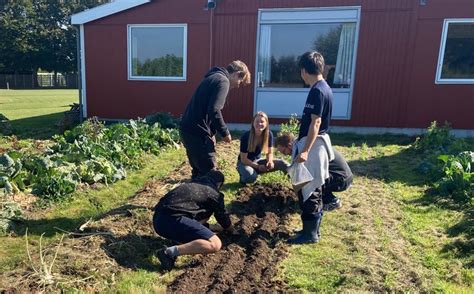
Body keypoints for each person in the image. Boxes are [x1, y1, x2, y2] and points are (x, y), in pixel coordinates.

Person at [285, 51, 334, 244]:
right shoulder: (324, 88)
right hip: (314, 143)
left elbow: (316, 122)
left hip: (312, 146)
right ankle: (310, 229)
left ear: (304, 70)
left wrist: (305, 150)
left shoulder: (317, 91)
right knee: (310, 187)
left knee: (307, 187)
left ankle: (310, 234)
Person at [180, 61, 251, 179]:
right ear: (237, 74)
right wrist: (225, 132)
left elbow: (207, 109)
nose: (238, 85)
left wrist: (212, 132)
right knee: (210, 176)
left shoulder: (214, 77)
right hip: (197, 133)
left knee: (199, 172)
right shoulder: (223, 81)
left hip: (188, 130)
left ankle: (194, 194)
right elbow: (214, 110)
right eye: (240, 81)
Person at [152, 170, 234, 270]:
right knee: (215, 244)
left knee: (198, 220)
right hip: (174, 220)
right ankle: (168, 253)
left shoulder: (190, 185)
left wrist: (213, 227)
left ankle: (176, 242)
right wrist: (231, 229)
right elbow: (223, 217)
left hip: (158, 221)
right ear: (219, 184)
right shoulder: (214, 194)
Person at [275, 132, 353, 211]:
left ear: (289, 145)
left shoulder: (303, 149)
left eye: (284, 152)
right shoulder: (303, 143)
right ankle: (324, 198)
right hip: (341, 175)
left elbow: (307, 175)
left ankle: (332, 201)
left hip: (342, 178)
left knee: (314, 180)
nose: (285, 155)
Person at [237, 111, 289, 184]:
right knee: (251, 177)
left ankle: (297, 182)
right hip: (244, 163)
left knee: (283, 163)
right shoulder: (246, 136)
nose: (259, 124)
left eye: (262, 121)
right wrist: (258, 167)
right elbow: (243, 159)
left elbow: (270, 152)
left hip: (258, 161)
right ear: (253, 123)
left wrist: (270, 161)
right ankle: (244, 177)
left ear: (266, 123)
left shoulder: (269, 134)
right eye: (257, 121)